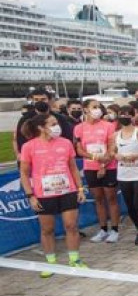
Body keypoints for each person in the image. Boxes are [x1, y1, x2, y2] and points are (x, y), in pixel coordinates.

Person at [19, 114, 87, 277]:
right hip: (43, 194)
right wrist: (31, 195)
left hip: (67, 191)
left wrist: (80, 188)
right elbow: (24, 172)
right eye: (53, 124)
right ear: (42, 127)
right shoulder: (29, 146)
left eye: (57, 123)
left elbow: (73, 167)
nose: (58, 127)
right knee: (47, 229)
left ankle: (75, 260)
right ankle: (51, 263)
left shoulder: (65, 143)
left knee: (71, 226)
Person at [75, 99, 121, 243]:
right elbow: (79, 149)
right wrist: (95, 157)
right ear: (85, 109)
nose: (98, 109)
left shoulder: (108, 126)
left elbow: (112, 147)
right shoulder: (79, 128)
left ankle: (115, 230)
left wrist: (103, 166)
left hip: (109, 167)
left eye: (99, 107)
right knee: (98, 199)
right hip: (90, 167)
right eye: (94, 107)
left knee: (111, 198)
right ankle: (103, 229)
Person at [111, 105, 138, 249]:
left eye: (128, 114)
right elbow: (112, 152)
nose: (124, 117)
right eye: (121, 114)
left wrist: (137, 156)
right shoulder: (115, 135)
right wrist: (116, 156)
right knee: (130, 207)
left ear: (134, 116)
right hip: (123, 175)